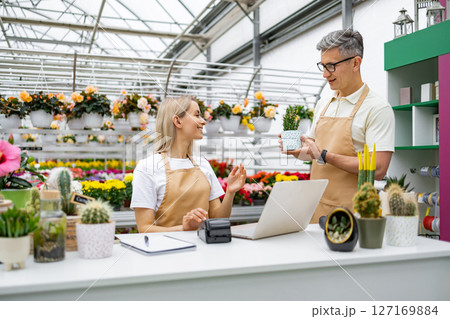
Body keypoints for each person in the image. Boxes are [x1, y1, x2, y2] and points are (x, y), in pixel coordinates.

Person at [280, 29, 395, 223]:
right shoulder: (324, 104)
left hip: (353, 214)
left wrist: (324, 155)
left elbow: (378, 168)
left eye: (331, 66)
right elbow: (315, 152)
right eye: (323, 66)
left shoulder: (377, 108)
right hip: (316, 209)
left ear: (355, 63)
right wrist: (298, 152)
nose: (325, 74)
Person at [131, 96, 246, 232]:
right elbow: (144, 228)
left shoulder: (203, 164)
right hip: (165, 250)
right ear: (177, 121)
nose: (203, 121)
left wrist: (230, 193)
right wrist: (184, 228)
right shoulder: (147, 167)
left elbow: (218, 218)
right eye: (197, 115)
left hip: (205, 249)